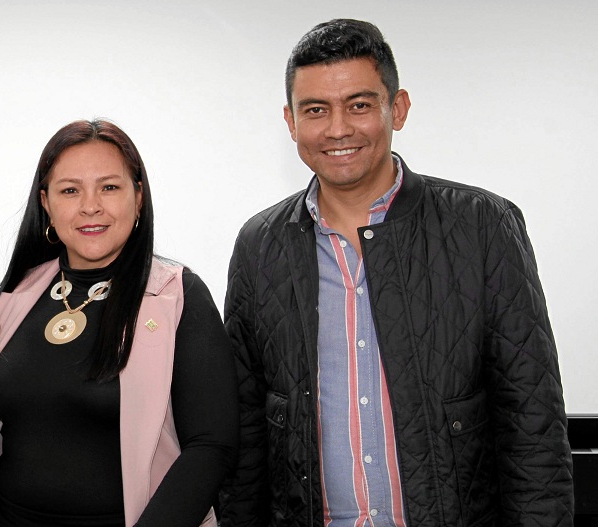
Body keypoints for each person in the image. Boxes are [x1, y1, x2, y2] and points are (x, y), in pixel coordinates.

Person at [217, 19, 573, 527]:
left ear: (398, 109)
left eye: (359, 105)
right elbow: (247, 432)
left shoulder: (482, 226)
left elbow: (532, 423)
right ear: (291, 122)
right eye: (315, 110)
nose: (337, 129)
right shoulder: (259, 245)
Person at [0, 119, 239, 526]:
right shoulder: (11, 296)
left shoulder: (177, 296)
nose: (90, 206)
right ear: (46, 203)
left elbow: (211, 445)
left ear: (138, 196)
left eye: (109, 187)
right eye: (70, 190)